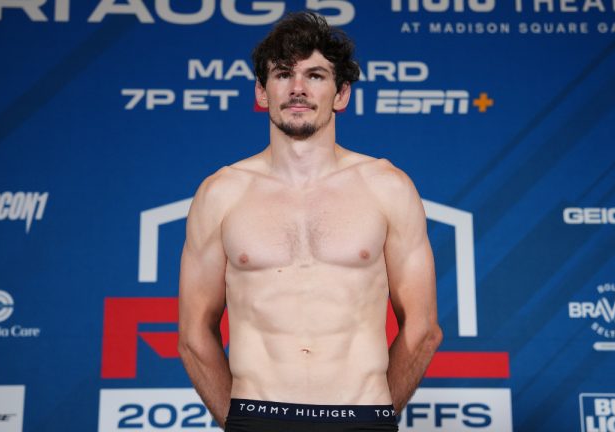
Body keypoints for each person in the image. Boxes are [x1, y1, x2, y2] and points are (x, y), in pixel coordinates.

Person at [178, 11, 442, 432]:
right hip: (257, 416)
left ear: (341, 95)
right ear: (262, 92)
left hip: (362, 414)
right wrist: (237, 423)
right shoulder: (221, 193)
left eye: (315, 75)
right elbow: (194, 334)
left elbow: (423, 329)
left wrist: (377, 418)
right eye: (283, 74)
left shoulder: (387, 187)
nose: (297, 88)